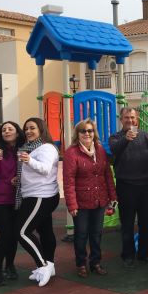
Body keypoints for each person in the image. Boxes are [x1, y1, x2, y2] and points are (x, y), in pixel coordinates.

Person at [63, 119, 117, 278]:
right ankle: (81, 263)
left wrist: (112, 197)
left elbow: (107, 175)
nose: (87, 134)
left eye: (90, 131)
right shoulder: (71, 153)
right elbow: (69, 181)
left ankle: (95, 262)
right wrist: (71, 204)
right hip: (81, 202)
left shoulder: (100, 150)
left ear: (94, 133)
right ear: (77, 134)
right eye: (83, 131)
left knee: (97, 233)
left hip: (99, 199)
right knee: (81, 234)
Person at [16, 118, 60, 287]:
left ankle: (43, 265)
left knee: (21, 232)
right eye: (26, 128)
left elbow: (45, 169)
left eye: (32, 128)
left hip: (41, 195)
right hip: (35, 194)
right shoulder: (31, 148)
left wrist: (29, 161)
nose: (28, 131)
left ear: (41, 129)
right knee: (45, 230)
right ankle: (51, 265)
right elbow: (31, 172)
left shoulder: (46, 147)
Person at [109, 107, 148, 267]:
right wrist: (126, 139)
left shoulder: (145, 136)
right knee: (127, 223)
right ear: (121, 120)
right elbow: (114, 150)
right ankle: (127, 255)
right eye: (126, 117)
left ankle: (145, 253)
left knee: (146, 223)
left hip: (145, 186)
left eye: (132, 118)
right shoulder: (115, 137)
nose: (130, 120)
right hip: (126, 185)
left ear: (137, 119)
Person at [0, 121, 25, 286]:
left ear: (17, 133)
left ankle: (9, 265)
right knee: (6, 234)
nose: (7, 131)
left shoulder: (23, 150)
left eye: (10, 129)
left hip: (17, 198)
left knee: (14, 234)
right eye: (4, 130)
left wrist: (19, 178)